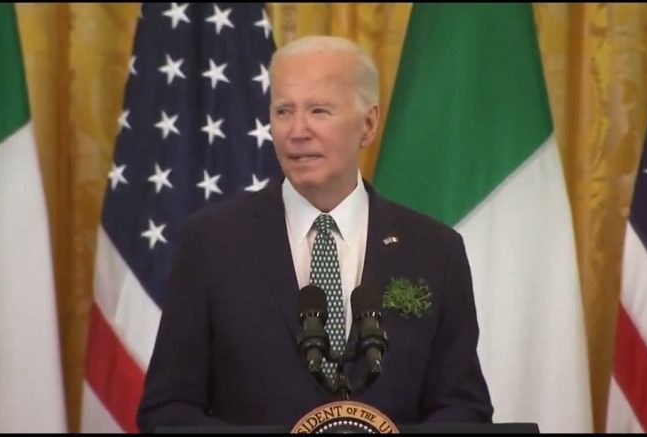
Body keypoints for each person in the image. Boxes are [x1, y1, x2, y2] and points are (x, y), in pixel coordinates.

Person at [136, 35, 493, 432]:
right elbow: (167, 413)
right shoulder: (211, 243)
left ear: (368, 124)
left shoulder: (435, 251)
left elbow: (464, 409)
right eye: (283, 111)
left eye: (319, 111)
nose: (297, 131)